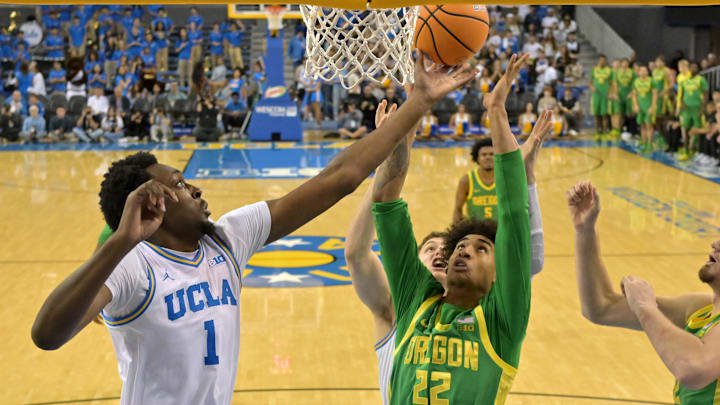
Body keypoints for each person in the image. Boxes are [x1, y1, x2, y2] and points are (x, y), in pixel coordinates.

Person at [30, 54, 477, 405]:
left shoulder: (228, 236)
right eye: (181, 186)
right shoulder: (134, 267)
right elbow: (47, 335)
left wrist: (418, 103)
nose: (197, 188)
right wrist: (120, 242)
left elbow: (338, 178)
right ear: (154, 204)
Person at [372, 54, 533, 405]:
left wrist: (497, 113)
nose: (464, 249)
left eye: (481, 249)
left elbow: (514, 213)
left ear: (498, 276)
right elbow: (385, 204)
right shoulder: (417, 300)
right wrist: (410, 115)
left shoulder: (500, 321)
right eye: (461, 245)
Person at [568, 180, 720, 403]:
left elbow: (694, 370)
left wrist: (647, 309)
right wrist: (585, 231)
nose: (715, 243)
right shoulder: (701, 308)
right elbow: (600, 307)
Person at [676, 61, 709, 160]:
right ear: (689, 69)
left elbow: (706, 94)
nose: (694, 69)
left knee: (697, 130)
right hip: (687, 109)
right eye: (692, 67)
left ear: (698, 69)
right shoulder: (684, 80)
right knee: (685, 129)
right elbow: (681, 94)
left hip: (697, 108)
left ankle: (696, 151)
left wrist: (703, 107)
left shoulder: (701, 80)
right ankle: (686, 150)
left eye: (696, 67)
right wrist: (681, 104)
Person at [631, 65, 658, 152]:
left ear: (647, 72)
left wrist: (653, 106)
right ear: (638, 72)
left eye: (644, 71)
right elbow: (634, 95)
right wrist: (635, 105)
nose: (643, 72)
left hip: (648, 106)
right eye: (641, 71)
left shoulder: (651, 81)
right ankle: (644, 143)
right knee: (642, 125)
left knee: (649, 125)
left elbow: (655, 94)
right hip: (640, 107)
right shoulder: (636, 82)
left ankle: (650, 144)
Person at [610, 58, 635, 139]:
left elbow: (634, 84)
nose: (624, 64)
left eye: (626, 63)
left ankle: (631, 131)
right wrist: (615, 94)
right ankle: (618, 130)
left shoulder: (632, 72)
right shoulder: (617, 73)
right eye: (623, 63)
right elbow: (615, 84)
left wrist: (631, 93)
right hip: (620, 96)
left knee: (629, 114)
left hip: (629, 96)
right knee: (619, 113)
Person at [591, 55, 612, 141]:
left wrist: (610, 92)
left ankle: (604, 132)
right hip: (596, 96)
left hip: (605, 95)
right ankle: (597, 132)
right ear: (598, 61)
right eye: (601, 60)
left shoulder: (609, 71)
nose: (603, 62)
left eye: (604, 60)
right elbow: (590, 82)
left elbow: (612, 83)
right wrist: (592, 87)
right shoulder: (594, 70)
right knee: (596, 115)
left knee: (604, 115)